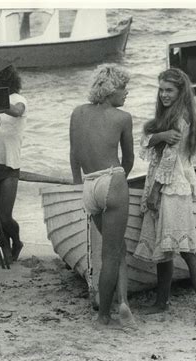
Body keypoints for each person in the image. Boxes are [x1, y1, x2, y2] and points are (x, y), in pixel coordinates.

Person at [133, 68, 196, 327]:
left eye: (169, 90)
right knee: (164, 250)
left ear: (180, 92)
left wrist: (154, 193)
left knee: (188, 249)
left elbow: (168, 159)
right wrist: (160, 135)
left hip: (173, 187)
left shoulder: (181, 117)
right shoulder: (167, 115)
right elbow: (145, 141)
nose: (164, 94)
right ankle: (161, 302)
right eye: (161, 89)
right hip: (162, 182)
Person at [69, 64, 136, 329]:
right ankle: (104, 316)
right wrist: (119, 179)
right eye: (123, 87)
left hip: (88, 185)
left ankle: (124, 303)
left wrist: (78, 186)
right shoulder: (122, 117)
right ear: (110, 90)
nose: (126, 93)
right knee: (111, 254)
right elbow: (128, 159)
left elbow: (74, 154)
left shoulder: (77, 113)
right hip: (111, 179)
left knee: (117, 249)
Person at [0, 65, 26, 262]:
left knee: (4, 216)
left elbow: (17, 112)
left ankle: (16, 241)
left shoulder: (17, 99)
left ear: (1, 80)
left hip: (10, 165)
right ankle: (6, 250)